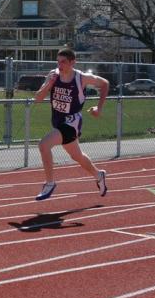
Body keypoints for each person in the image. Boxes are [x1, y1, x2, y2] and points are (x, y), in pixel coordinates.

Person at [33, 47, 110, 200]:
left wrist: (99, 108)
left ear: (72, 62)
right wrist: (49, 84)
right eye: (58, 61)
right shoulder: (53, 75)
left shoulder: (81, 78)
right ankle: (98, 175)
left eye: (63, 62)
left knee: (44, 145)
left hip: (72, 122)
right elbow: (38, 98)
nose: (60, 65)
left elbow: (105, 84)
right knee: (78, 156)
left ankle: (50, 183)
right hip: (58, 121)